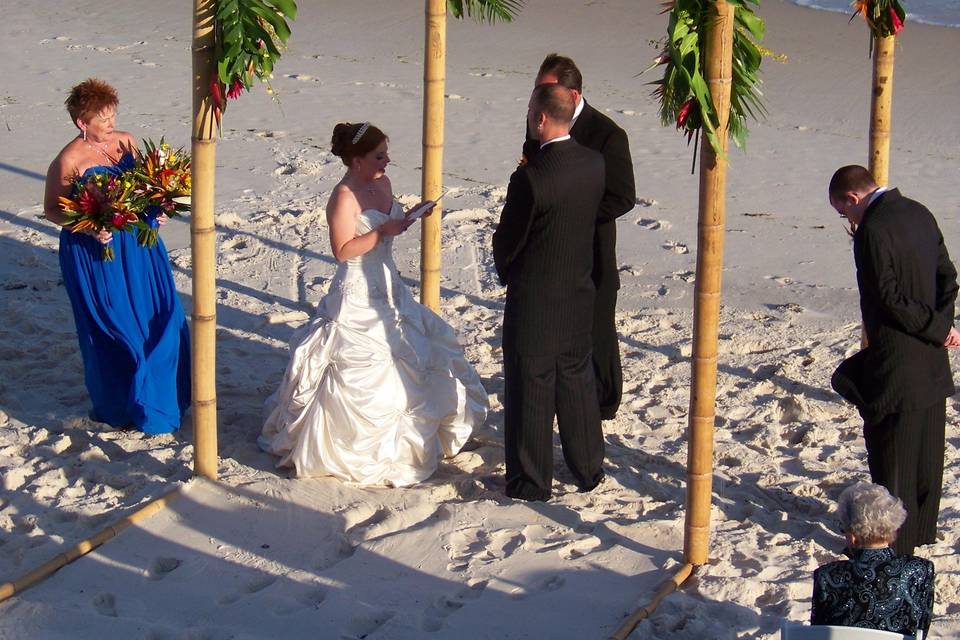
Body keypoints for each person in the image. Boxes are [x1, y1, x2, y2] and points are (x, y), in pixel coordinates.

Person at [259, 122, 488, 486]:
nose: (387, 161)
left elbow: (389, 225)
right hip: (356, 292)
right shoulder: (343, 196)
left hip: (388, 283)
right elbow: (342, 250)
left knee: (417, 349)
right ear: (356, 160)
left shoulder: (383, 183)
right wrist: (381, 231)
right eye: (379, 155)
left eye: (386, 153)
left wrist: (408, 217)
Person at [43, 78, 190, 434]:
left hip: (139, 245)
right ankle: (119, 405)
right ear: (82, 122)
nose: (111, 124)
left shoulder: (126, 142)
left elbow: (142, 187)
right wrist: (90, 227)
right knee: (114, 327)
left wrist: (158, 208)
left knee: (162, 316)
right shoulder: (68, 160)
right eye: (104, 119)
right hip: (94, 252)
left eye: (113, 116)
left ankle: (162, 399)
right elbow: (53, 211)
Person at [829, 165, 959, 556]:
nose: (847, 221)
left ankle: (898, 545)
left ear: (853, 199)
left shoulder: (872, 229)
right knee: (926, 456)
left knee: (894, 456)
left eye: (843, 212)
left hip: (898, 360)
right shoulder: (919, 211)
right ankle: (921, 532)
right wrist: (943, 326)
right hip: (932, 362)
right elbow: (947, 278)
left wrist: (935, 330)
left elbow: (887, 298)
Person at [493, 84, 606, 501]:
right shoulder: (593, 163)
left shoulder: (531, 177)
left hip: (536, 299)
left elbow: (510, 239)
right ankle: (589, 468)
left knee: (530, 387)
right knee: (576, 383)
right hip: (577, 292)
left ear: (541, 118)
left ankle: (530, 481)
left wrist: (507, 270)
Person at [522, 54, 636, 421]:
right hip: (549, 246)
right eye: (538, 88)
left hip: (592, 248)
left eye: (546, 89)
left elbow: (622, 197)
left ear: (572, 93)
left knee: (598, 328)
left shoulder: (608, 134)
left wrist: (577, 213)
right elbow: (532, 166)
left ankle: (605, 402)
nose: (539, 95)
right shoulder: (539, 119)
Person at [811, 482, 934, 637]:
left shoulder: (827, 576)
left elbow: (818, 633)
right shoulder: (919, 569)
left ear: (853, 536)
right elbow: (922, 628)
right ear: (893, 528)